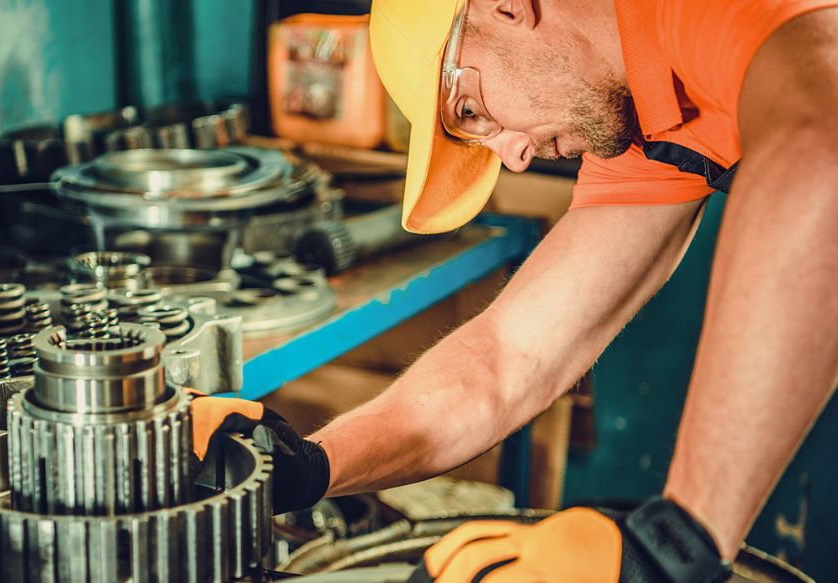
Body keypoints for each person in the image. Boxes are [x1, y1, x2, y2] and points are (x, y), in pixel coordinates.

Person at [191, 0, 838, 580]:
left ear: (506, 8)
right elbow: (506, 360)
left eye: (470, 112)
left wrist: (677, 541)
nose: (515, 157)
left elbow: (822, 156)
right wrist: (311, 465)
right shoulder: (651, 130)